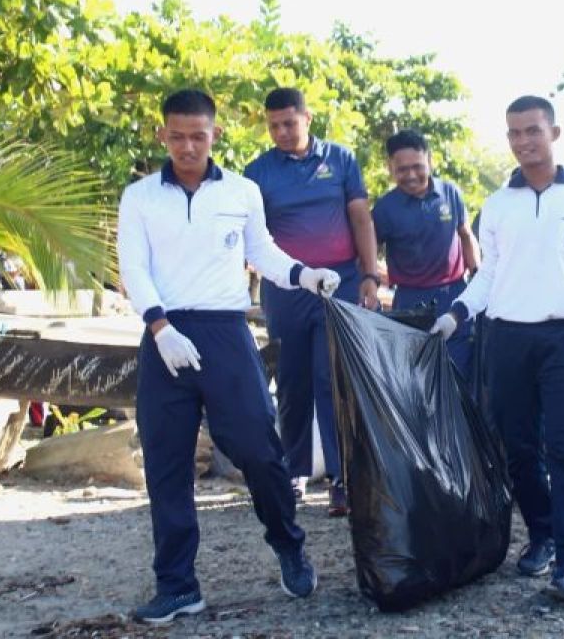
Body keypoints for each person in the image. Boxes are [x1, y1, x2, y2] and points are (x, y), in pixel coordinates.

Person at [118, 89, 340, 623]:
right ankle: (176, 585)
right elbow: (134, 268)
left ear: (215, 135)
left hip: (225, 333)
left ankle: (289, 544)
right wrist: (159, 326)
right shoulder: (140, 197)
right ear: (162, 135)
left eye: (198, 136)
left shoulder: (241, 191)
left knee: (260, 452)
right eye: (177, 136)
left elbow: (261, 251)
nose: (188, 146)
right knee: (167, 464)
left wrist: (305, 276)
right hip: (165, 335)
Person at [429, 96, 564, 604]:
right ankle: (542, 533)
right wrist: (456, 314)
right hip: (506, 341)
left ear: (555, 133)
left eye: (533, 130)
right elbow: (488, 277)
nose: (524, 141)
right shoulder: (499, 205)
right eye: (515, 133)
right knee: (518, 451)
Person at [244, 87, 380, 516]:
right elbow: (252, 235)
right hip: (286, 290)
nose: (282, 132)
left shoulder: (340, 160)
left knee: (332, 378)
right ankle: (295, 470)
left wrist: (371, 275)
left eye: (289, 122)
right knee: (292, 379)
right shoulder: (258, 171)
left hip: (339, 282)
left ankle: (342, 477)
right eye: (273, 126)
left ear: (307, 118)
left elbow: (360, 216)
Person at [372, 129, 479, 383]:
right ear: (390, 168)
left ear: (430, 161)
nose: (411, 175)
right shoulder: (385, 208)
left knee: (458, 380)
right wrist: (374, 282)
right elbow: (369, 253)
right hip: (409, 301)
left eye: (418, 167)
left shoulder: (450, 193)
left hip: (454, 295)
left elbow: (465, 234)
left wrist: (477, 274)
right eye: (402, 169)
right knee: (416, 381)